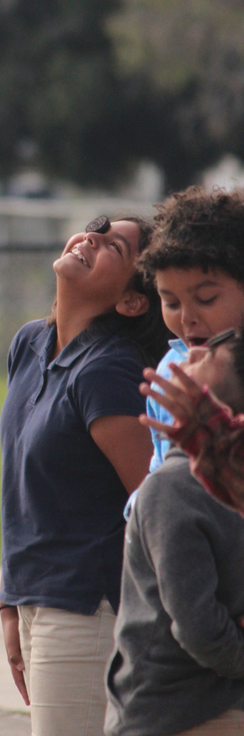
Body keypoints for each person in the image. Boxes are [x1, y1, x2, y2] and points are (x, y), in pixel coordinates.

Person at [0, 215, 169, 736]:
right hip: (34, 595)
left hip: (87, 606)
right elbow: (19, 487)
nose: (91, 237)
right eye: (95, 226)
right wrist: (9, 600)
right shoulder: (30, 343)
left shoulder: (109, 370)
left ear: (133, 302)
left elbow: (153, 502)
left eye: (114, 244)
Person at [105, 332, 244, 736]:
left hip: (184, 720)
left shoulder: (172, 488)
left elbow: (198, 625)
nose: (192, 349)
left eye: (212, 353)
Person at [125, 186, 244, 517]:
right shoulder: (169, 370)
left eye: (206, 299)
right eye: (171, 302)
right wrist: (142, 507)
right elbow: (160, 466)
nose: (186, 316)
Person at [140, 335, 244, 518]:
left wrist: (212, 432)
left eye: (206, 359)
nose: (194, 352)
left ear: (222, 413)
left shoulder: (175, 490)